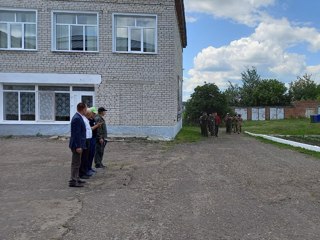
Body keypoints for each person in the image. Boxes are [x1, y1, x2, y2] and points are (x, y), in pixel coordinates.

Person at [68, 102, 87, 187]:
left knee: (78, 162)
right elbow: (76, 134)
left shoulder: (79, 117)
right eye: (86, 108)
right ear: (83, 109)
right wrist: (78, 146)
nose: (87, 110)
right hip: (76, 145)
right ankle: (73, 181)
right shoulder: (77, 118)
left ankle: (77, 178)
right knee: (75, 163)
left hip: (79, 144)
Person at [86, 107, 102, 175]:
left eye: (95, 113)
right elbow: (90, 129)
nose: (95, 114)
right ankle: (87, 169)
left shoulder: (93, 119)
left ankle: (89, 167)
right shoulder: (88, 120)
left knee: (92, 154)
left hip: (94, 138)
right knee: (89, 154)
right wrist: (97, 126)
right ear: (90, 113)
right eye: (94, 113)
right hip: (90, 138)